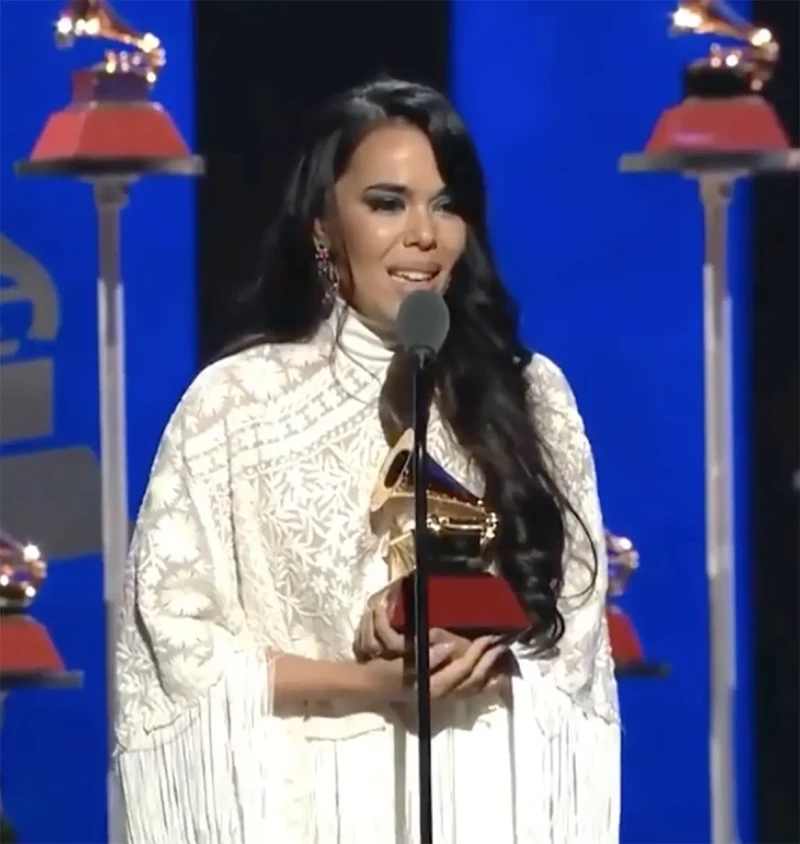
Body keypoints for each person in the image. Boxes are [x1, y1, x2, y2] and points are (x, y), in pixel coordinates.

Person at [113, 77, 620, 843]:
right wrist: (368, 684)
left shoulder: (530, 394)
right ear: (324, 224)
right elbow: (173, 643)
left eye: (445, 205)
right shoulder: (234, 404)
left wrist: (491, 652)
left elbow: (576, 635)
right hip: (308, 804)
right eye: (387, 203)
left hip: (485, 796)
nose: (424, 234)